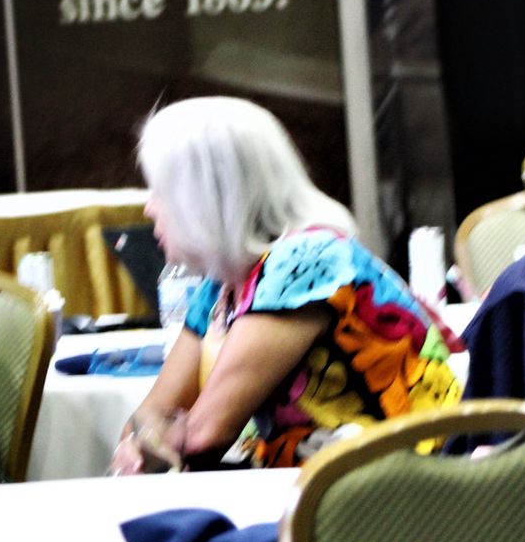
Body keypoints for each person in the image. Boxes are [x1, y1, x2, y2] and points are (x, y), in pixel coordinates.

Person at [111, 98, 461, 473]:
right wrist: (144, 441)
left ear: (204, 199)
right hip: (328, 484)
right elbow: (148, 417)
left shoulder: (304, 263)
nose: (149, 208)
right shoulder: (223, 284)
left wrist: (151, 445)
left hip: (407, 486)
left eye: (160, 192)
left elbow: (204, 436)